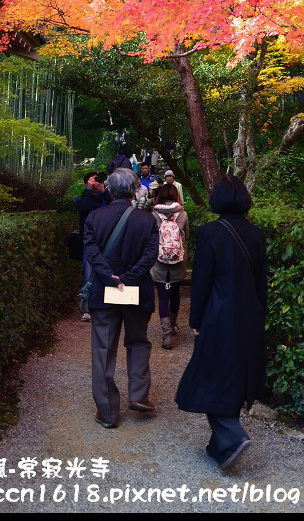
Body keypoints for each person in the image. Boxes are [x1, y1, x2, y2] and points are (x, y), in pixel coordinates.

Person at [175, 175, 267, 470]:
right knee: (235, 375)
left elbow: (202, 281)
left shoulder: (210, 233)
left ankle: (232, 433)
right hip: (250, 315)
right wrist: (260, 315)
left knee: (207, 376)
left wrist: (195, 318)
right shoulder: (256, 233)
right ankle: (221, 446)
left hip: (219, 315)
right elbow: (260, 283)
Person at [83, 168, 160, 428]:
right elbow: (150, 256)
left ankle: (107, 413)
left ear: (110, 189)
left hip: (104, 293)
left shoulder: (95, 218)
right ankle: (138, 395)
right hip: (136, 291)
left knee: (103, 349)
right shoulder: (146, 220)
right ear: (134, 189)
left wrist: (111, 278)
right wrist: (129, 277)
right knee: (138, 341)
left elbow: (92, 254)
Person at [150, 184, 189, 350]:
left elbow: (151, 239)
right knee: (175, 294)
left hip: (159, 262)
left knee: (163, 296)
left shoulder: (154, 215)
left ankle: (166, 335)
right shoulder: (183, 214)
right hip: (178, 261)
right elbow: (186, 236)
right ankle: (172, 326)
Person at [75, 172, 112, 321]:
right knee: (88, 274)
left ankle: (107, 306)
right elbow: (83, 208)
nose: (96, 182)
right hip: (89, 242)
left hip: (107, 241)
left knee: (108, 273)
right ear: (86, 183)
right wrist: (89, 190)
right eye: (92, 180)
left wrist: (103, 190)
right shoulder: (82, 197)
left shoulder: (104, 197)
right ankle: (86, 308)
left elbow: (116, 206)